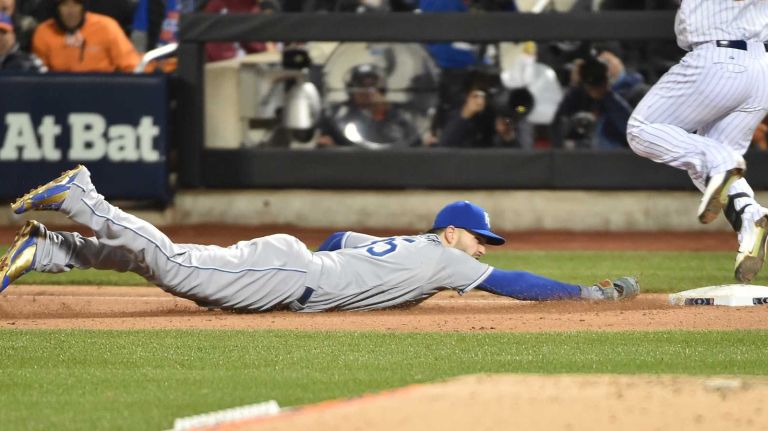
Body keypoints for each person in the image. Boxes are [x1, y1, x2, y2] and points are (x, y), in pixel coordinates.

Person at [0, 166, 639, 311]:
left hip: (292, 263)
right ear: (453, 230)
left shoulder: (412, 244)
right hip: (289, 276)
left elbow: (337, 236)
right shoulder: (443, 257)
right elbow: (512, 284)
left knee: (175, 268)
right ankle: (85, 199)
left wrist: (337, 270)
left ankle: (53, 249)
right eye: (479, 239)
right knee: (173, 265)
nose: (482, 248)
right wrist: (585, 293)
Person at [626, 0, 768, 282]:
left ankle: (723, 162)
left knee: (640, 130)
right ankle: (750, 217)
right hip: (762, 69)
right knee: (708, 165)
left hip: (716, 59)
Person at [318, 63, 421, 149]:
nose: (368, 92)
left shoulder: (396, 113)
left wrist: (383, 112)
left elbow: (415, 143)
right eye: (361, 86)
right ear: (351, 89)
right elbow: (324, 140)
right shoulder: (338, 113)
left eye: (372, 85)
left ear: (382, 90)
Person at [31, 0, 140, 72]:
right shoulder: (44, 32)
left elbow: (131, 64)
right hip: (59, 95)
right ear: (56, 9)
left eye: (76, 4)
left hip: (103, 93)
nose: (71, 11)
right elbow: (39, 74)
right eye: (65, 5)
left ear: (83, 7)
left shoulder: (106, 27)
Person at [553, 56, 632, 149]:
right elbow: (559, 127)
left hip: (610, 155)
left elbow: (631, 131)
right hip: (578, 154)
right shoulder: (575, 97)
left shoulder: (613, 101)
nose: (595, 89)